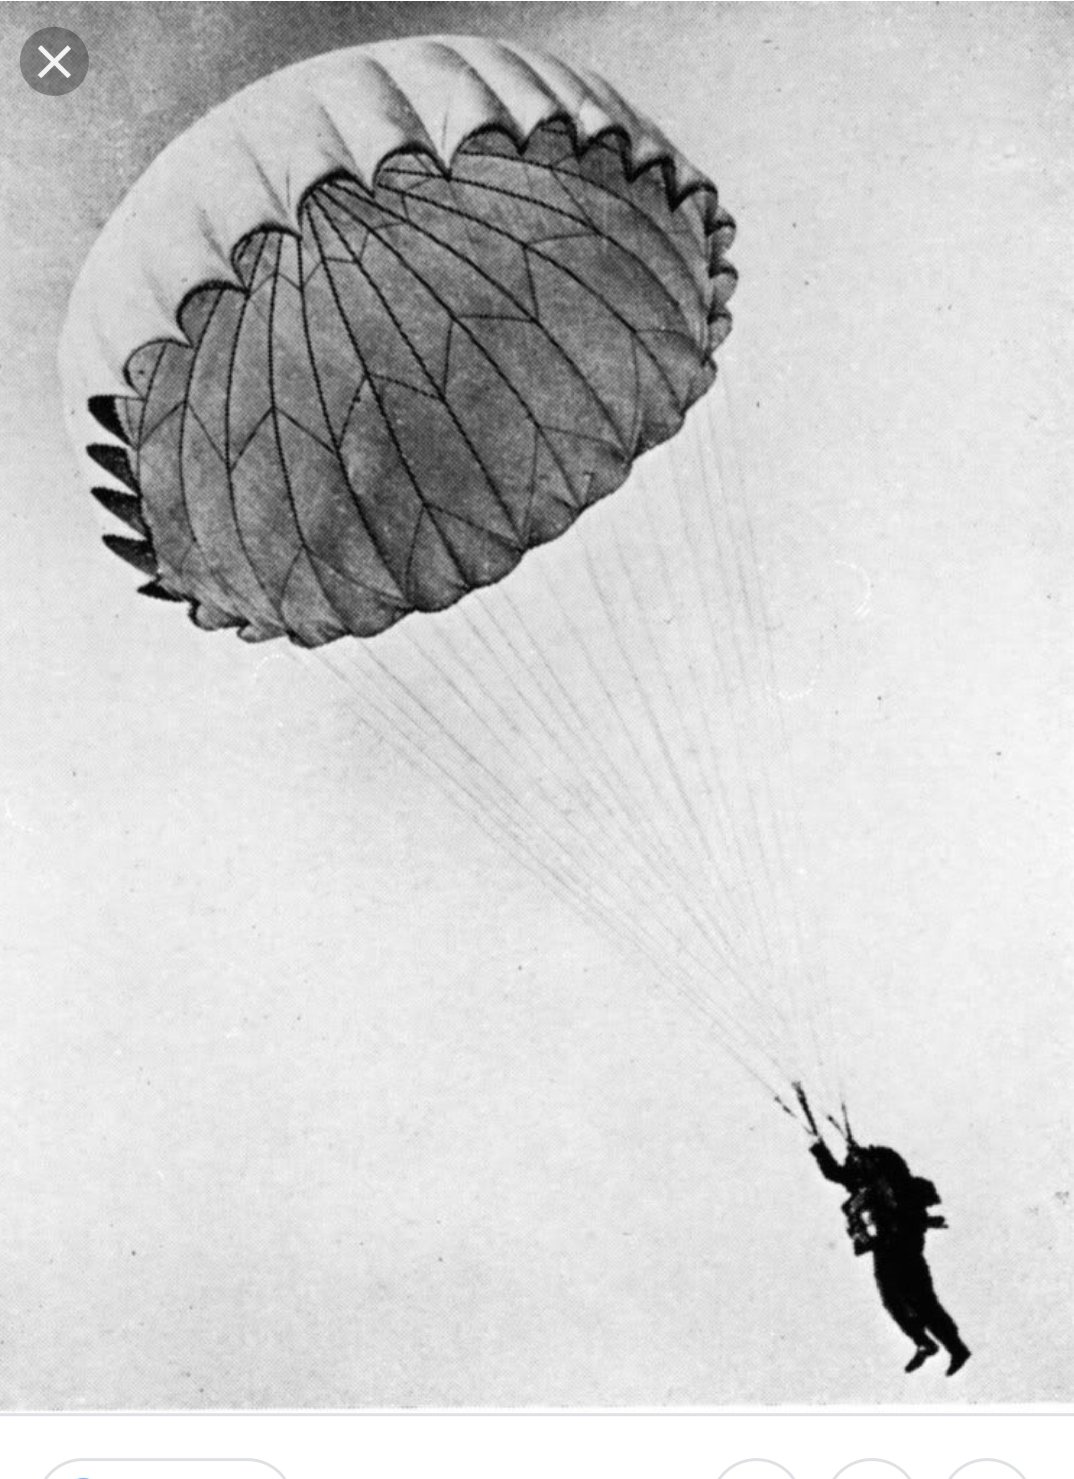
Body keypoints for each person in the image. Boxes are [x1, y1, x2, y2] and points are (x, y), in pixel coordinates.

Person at [810, 1134, 972, 1375]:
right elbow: (834, 1173)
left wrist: (864, 1156)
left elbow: (899, 1196)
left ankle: (956, 1348)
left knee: (921, 1301)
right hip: (884, 1248)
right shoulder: (865, 1183)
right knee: (893, 1302)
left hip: (903, 1246)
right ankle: (924, 1343)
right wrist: (818, 1148)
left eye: (857, 1164)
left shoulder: (891, 1176)